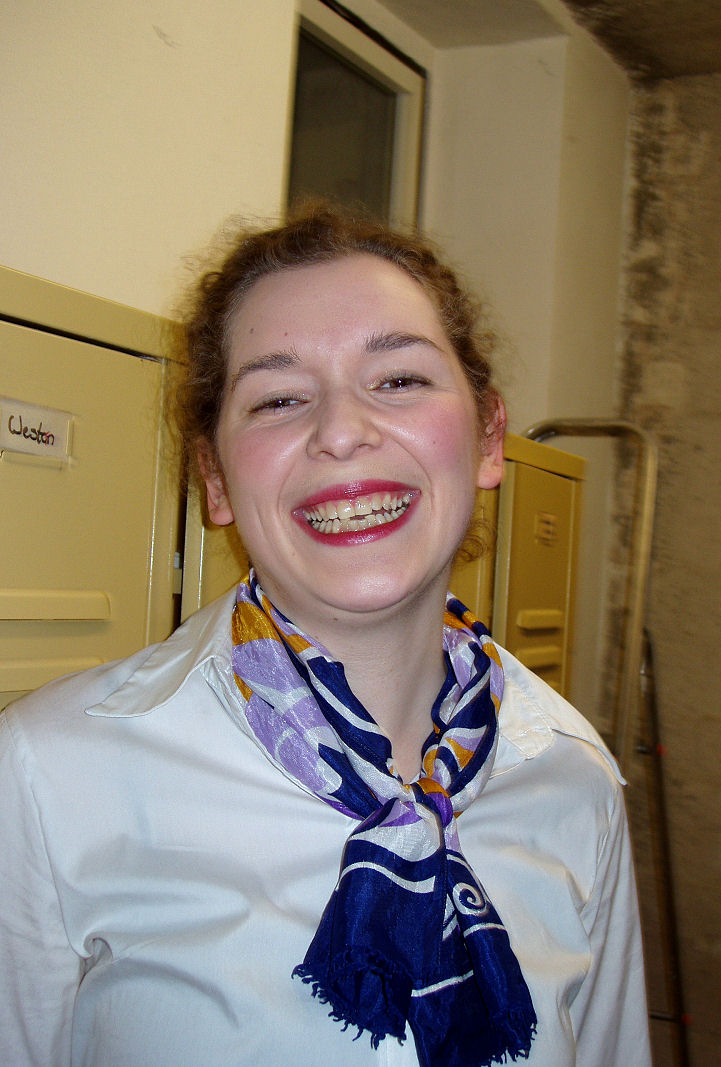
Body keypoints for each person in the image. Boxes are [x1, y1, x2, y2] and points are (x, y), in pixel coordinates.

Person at [0, 204, 651, 1066]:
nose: (341, 431)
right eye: (279, 398)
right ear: (215, 478)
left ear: (489, 438)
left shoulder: (574, 775)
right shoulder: (48, 775)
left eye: (400, 379)